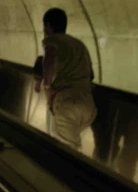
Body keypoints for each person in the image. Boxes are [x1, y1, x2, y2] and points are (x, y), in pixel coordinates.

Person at [41, 8, 97, 150]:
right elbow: (91, 75)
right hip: (88, 104)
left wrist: (47, 88)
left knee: (64, 154)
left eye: (44, 26)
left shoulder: (53, 40)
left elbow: (48, 62)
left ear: (47, 26)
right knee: (73, 150)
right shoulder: (79, 44)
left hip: (67, 104)